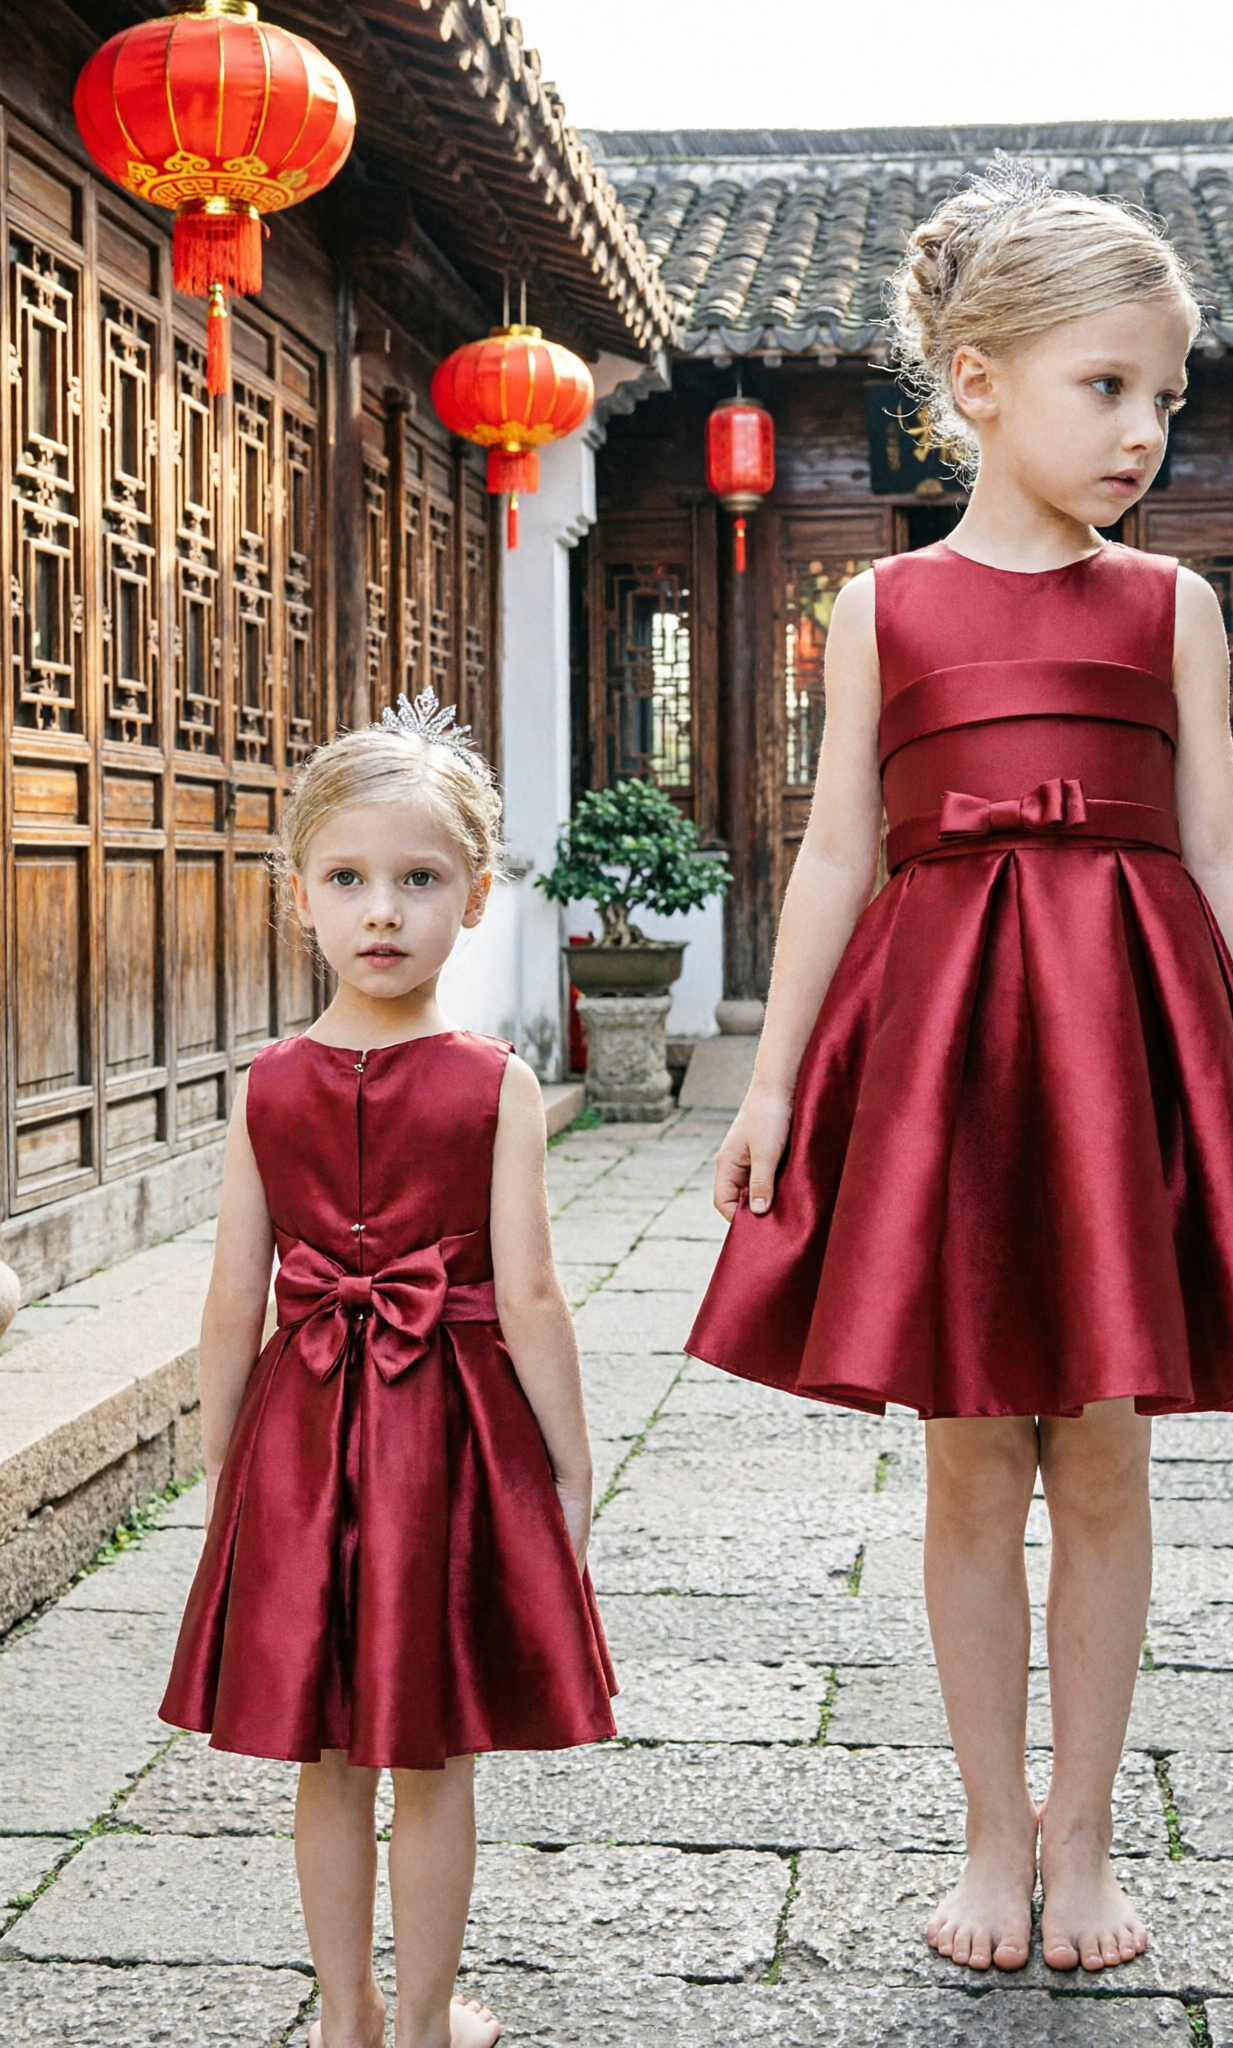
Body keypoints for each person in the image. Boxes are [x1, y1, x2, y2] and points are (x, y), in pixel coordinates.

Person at [684, 164, 1233, 1976]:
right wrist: (769, 1082)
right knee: (973, 1450)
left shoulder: (1173, 609)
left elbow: (1221, 841)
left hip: (1128, 1041)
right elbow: (831, 852)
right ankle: (989, 1825)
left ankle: (1084, 1825)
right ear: (975, 378)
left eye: (1163, 397)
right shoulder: (889, 607)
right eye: (1103, 386)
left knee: (1112, 1448)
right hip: (951, 1050)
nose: (1141, 430)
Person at [159, 694, 616, 2048]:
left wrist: (225, 1468)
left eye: (417, 881)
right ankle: (415, 2026)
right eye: (351, 879)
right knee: (420, 1747)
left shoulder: (269, 1082)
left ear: (473, 899)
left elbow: (237, 1297)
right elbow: (527, 1294)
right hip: (450, 1438)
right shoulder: (493, 1082)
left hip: (301, 1439)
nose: (382, 910)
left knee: (337, 1750)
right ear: (300, 894)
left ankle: (357, 2019)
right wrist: (570, 1462)